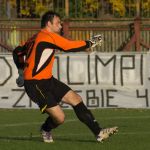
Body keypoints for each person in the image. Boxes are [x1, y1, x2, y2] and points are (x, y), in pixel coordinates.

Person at [13, 11, 118, 143]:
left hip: (47, 80)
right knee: (60, 118)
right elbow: (68, 46)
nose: (61, 26)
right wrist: (90, 43)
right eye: (58, 23)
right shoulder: (48, 37)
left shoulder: (35, 37)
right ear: (48, 23)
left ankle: (99, 133)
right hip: (35, 84)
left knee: (76, 98)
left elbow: (17, 52)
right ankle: (46, 129)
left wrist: (21, 72)